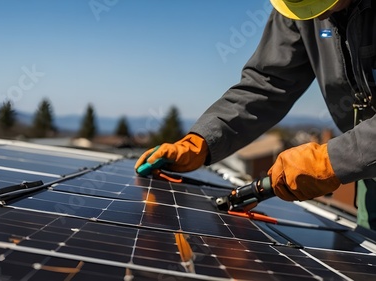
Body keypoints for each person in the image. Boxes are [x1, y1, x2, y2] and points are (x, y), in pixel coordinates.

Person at [135, 0, 376, 231]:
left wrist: (334, 160)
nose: (319, 16)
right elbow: (267, 83)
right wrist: (203, 140)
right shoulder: (297, 8)